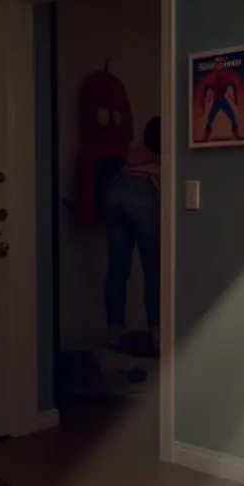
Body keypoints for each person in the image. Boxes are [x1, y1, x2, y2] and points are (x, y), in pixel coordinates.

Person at [104, 115, 161, 351]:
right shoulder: (163, 155)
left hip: (116, 192)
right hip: (141, 193)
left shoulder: (134, 153)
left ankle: (114, 331)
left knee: (118, 268)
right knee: (154, 266)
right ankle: (157, 332)